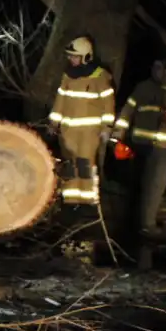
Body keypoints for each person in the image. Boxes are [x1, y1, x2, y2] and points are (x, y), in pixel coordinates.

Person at [112, 53, 166, 240]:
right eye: (154, 67)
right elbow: (127, 113)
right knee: (137, 185)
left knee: (156, 187)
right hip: (140, 145)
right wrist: (117, 135)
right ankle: (130, 225)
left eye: (160, 67)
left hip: (163, 148)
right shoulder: (143, 88)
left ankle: (148, 225)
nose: (156, 71)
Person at [48, 35, 117, 210]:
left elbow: (108, 103)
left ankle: (87, 201)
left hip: (89, 132)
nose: (71, 59)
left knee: (84, 164)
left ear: (86, 56)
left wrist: (107, 127)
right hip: (68, 131)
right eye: (70, 55)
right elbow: (60, 100)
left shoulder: (100, 76)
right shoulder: (68, 76)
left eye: (75, 56)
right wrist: (54, 122)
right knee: (70, 164)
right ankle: (71, 201)